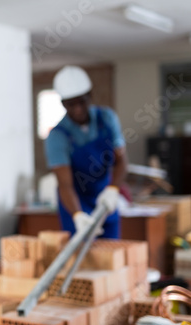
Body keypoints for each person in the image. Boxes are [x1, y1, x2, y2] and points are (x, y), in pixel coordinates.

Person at [45, 65, 128, 239]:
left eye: (81, 102)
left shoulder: (106, 119)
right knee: (81, 259)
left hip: (105, 199)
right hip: (75, 203)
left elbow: (121, 161)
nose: (78, 109)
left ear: (90, 96)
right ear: (62, 104)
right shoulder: (57, 136)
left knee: (113, 253)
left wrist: (113, 189)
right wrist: (78, 215)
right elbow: (65, 184)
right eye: (70, 104)